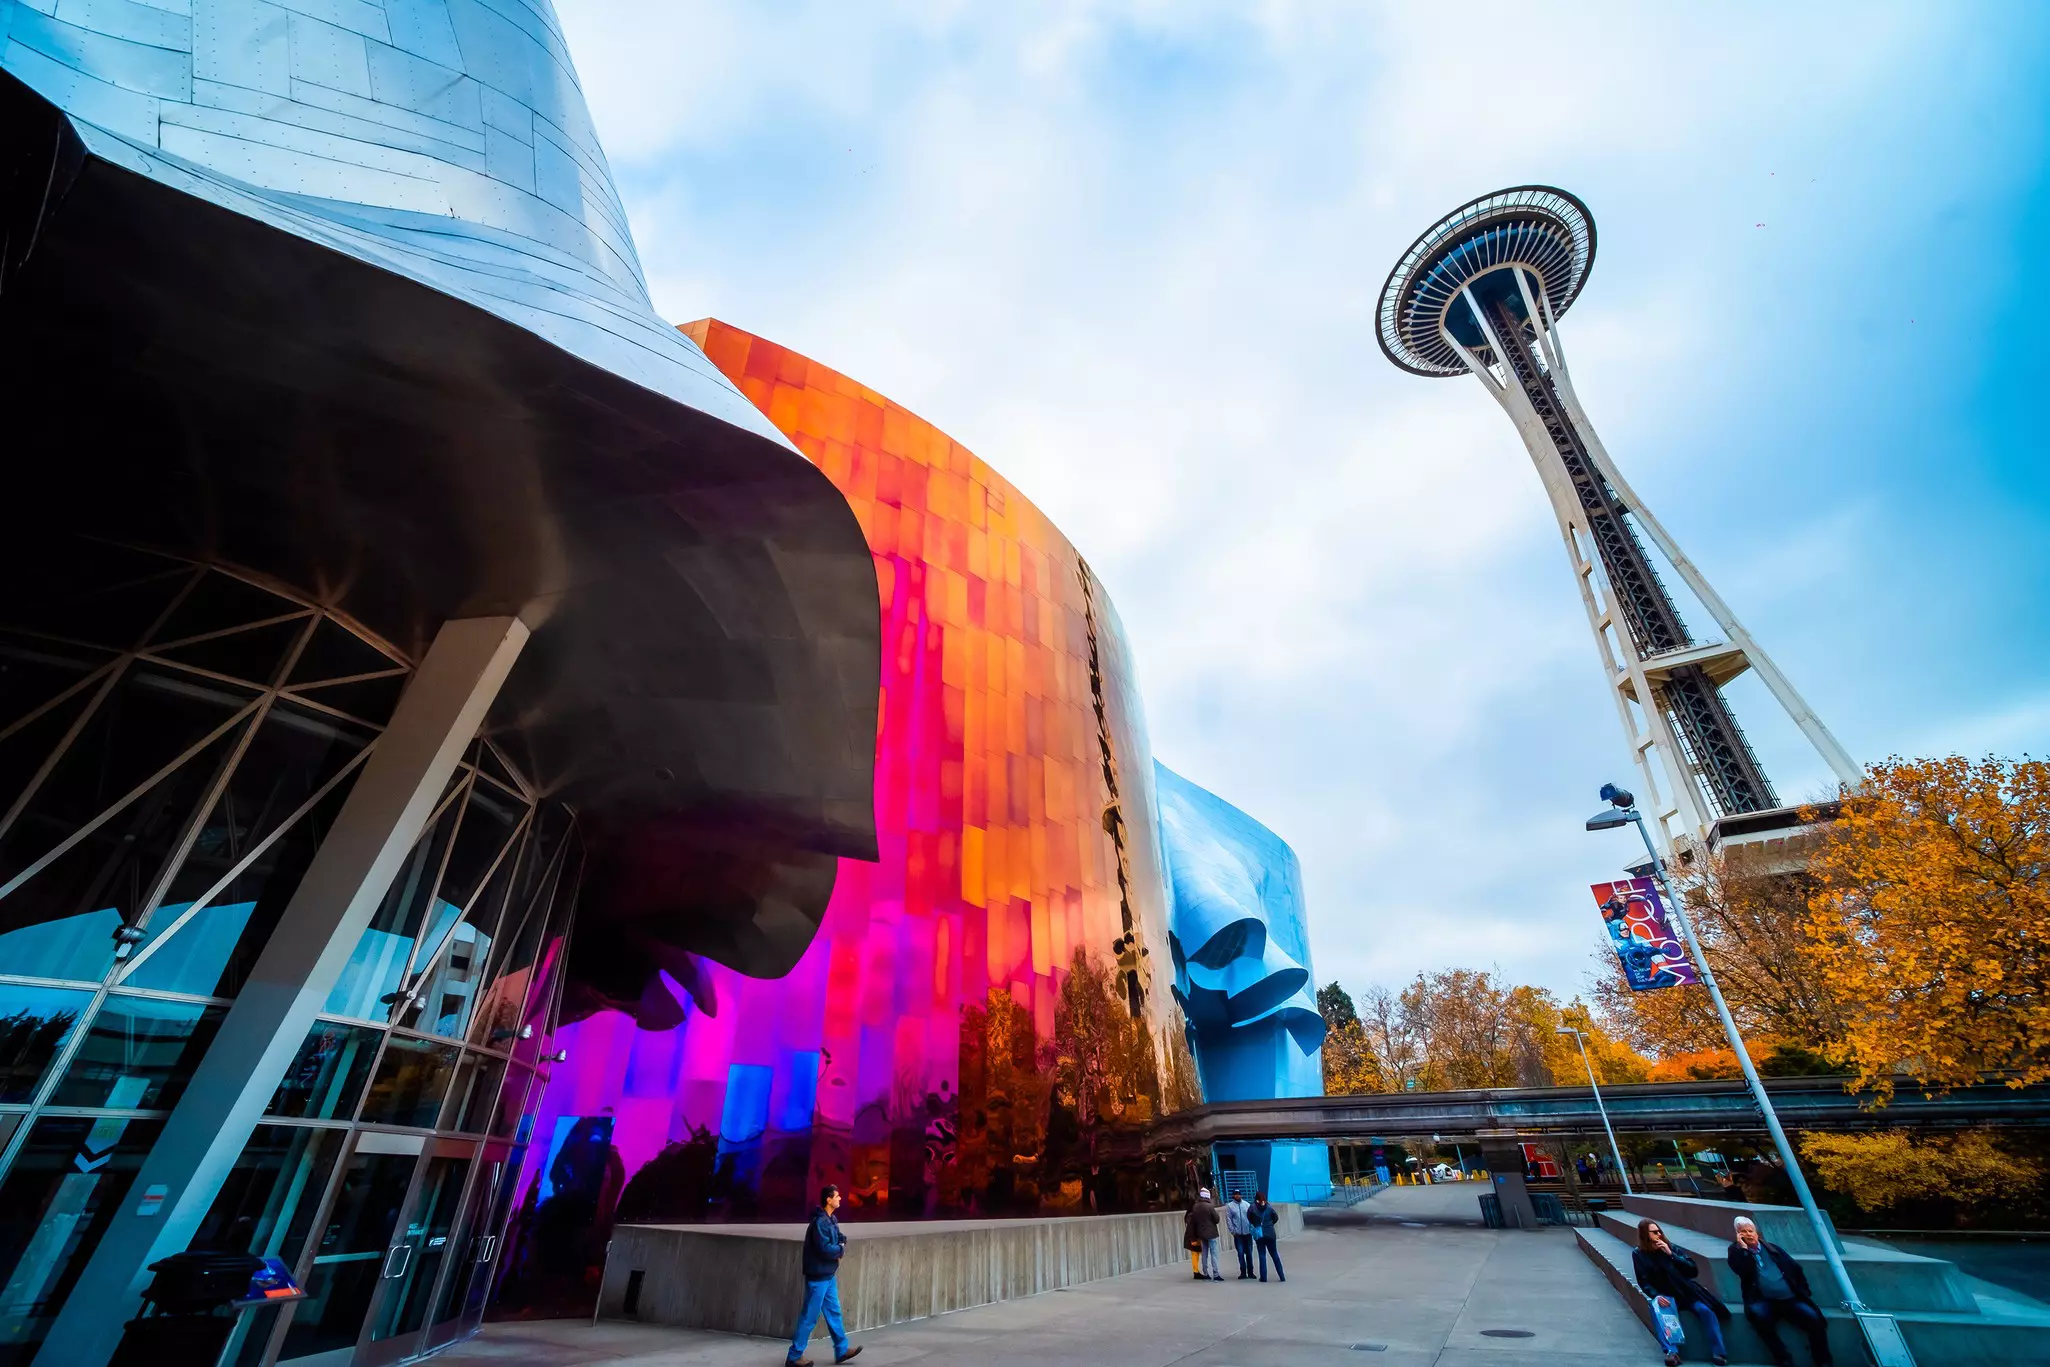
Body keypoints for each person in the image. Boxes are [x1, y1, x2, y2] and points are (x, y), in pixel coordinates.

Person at [1728, 1215, 1833, 1367]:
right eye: (1743, 1232)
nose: (1748, 1234)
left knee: (1815, 1320)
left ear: (1756, 1232)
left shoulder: (1772, 1248)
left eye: (1750, 1230)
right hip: (1763, 1300)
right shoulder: (1735, 1251)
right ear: (1738, 1235)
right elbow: (1741, 1271)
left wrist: (1804, 1291)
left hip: (1789, 1298)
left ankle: (1823, 1360)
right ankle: (1784, 1358)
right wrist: (1744, 1251)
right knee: (1761, 1321)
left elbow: (1795, 1268)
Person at [1632, 1218, 1729, 1367]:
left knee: (1706, 1311)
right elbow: (1643, 1281)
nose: (1659, 1234)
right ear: (1646, 1234)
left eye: (1659, 1231)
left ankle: (1719, 1353)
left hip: (1687, 1294)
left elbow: (1692, 1270)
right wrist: (1657, 1295)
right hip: (1667, 1296)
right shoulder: (1639, 1254)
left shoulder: (1671, 1248)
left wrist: (1671, 1255)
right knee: (1657, 1308)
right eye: (1654, 1232)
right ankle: (1672, 1352)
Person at [787, 1183, 862, 1366]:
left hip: (827, 1276)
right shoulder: (820, 1223)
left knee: (834, 1313)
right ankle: (794, 1357)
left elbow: (837, 1238)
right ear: (828, 1200)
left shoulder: (831, 1219)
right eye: (837, 1196)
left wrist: (841, 1242)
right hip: (818, 1277)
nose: (840, 1198)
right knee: (809, 1317)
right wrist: (840, 1250)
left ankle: (841, 1350)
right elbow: (825, 1248)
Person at [1184, 1187, 1222, 1281]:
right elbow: (1216, 1219)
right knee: (1214, 1253)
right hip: (1211, 1233)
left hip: (1201, 1234)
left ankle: (1206, 1274)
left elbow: (1193, 1221)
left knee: (1204, 1253)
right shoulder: (1209, 1206)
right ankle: (1216, 1274)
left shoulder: (1195, 1207)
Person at [1250, 1191, 1285, 1283]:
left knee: (1262, 1255)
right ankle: (1282, 1276)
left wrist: (1256, 1224)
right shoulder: (1269, 1208)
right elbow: (1276, 1218)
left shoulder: (1252, 1208)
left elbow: (1249, 1217)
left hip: (1260, 1234)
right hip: (1270, 1233)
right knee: (1275, 1255)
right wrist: (1270, 1224)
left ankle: (1263, 1277)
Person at [1223, 1190, 1255, 1279]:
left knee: (1249, 1253)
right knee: (1240, 1254)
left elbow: (1251, 1217)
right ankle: (1243, 1272)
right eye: (1236, 1194)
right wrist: (1233, 1231)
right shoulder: (1230, 1206)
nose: (1237, 1196)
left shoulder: (1247, 1205)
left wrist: (1251, 1228)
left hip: (1247, 1233)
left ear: (1241, 1195)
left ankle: (1251, 1272)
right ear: (1233, 1196)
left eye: (1239, 1194)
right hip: (1238, 1235)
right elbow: (1229, 1219)